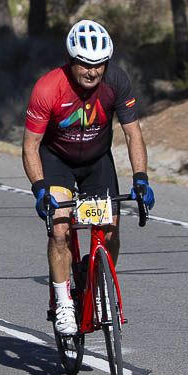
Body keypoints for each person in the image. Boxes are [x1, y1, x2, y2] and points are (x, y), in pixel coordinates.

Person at [22, 19, 156, 336]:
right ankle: (64, 302)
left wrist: (141, 178)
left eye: (99, 64)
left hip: (97, 161)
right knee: (59, 230)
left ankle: (100, 292)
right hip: (57, 162)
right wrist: (40, 189)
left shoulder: (116, 82)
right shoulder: (48, 87)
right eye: (85, 64)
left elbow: (134, 135)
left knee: (110, 230)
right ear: (71, 60)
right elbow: (30, 146)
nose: (92, 71)